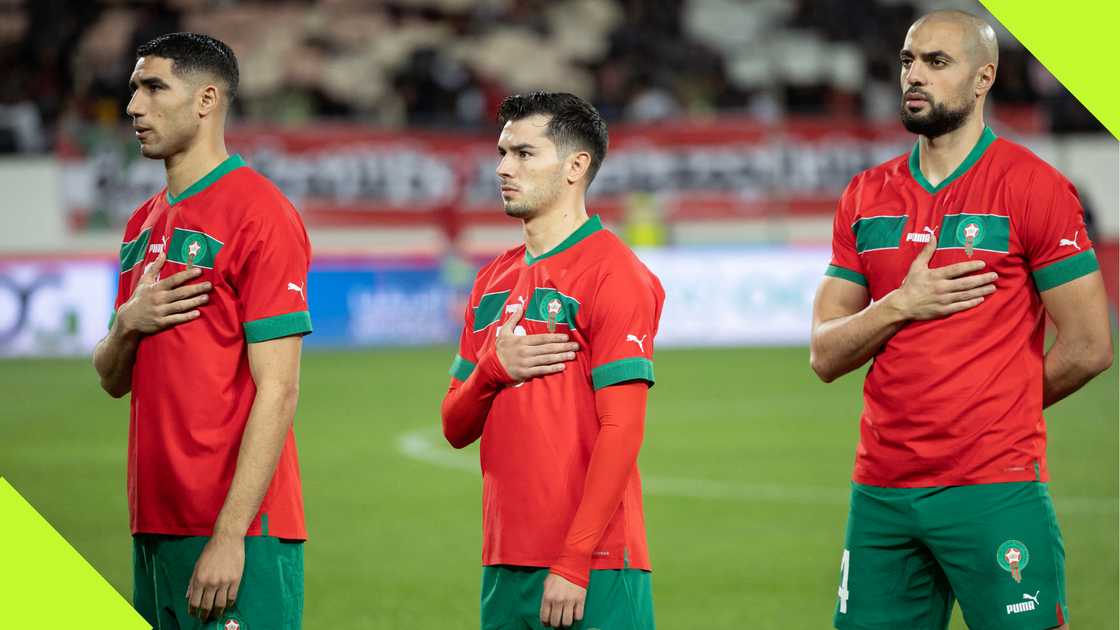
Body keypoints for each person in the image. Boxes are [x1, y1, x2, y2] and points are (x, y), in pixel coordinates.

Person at [810, 10, 1113, 630]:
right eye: (907, 61)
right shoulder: (866, 195)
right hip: (882, 494)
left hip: (993, 489)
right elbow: (825, 353)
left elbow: (1089, 345)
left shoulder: (1036, 188)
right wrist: (901, 303)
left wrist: (1000, 414)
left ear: (984, 79)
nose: (913, 76)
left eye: (936, 62)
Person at [92, 33, 312, 629]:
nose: (134, 105)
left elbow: (280, 389)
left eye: (154, 87)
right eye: (135, 88)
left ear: (207, 99)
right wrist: (125, 324)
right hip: (155, 526)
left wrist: (230, 536)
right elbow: (113, 380)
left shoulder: (259, 213)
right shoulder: (144, 221)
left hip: (235, 530)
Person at [441, 92, 664, 629]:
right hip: (504, 562)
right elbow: (453, 425)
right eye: (502, 152)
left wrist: (574, 560)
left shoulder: (615, 274)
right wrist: (492, 369)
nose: (501, 168)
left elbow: (622, 430)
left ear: (575, 166)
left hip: (595, 564)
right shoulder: (491, 279)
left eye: (523, 154)